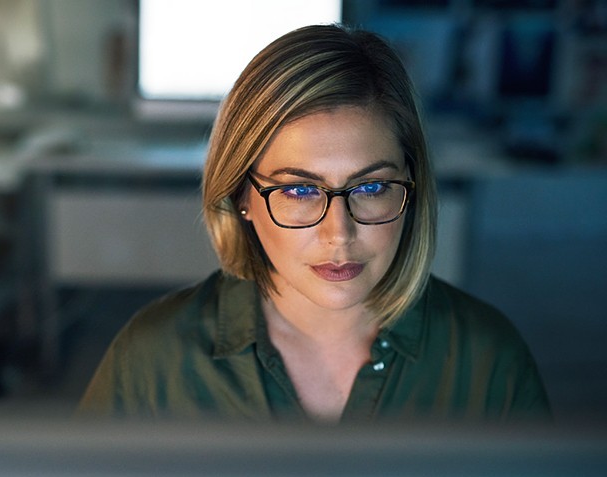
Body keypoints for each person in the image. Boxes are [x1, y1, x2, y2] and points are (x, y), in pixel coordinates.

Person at [77, 24, 551, 423]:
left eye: (370, 188)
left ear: (412, 186)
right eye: (299, 191)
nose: (339, 234)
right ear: (241, 194)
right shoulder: (152, 359)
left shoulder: (489, 360)